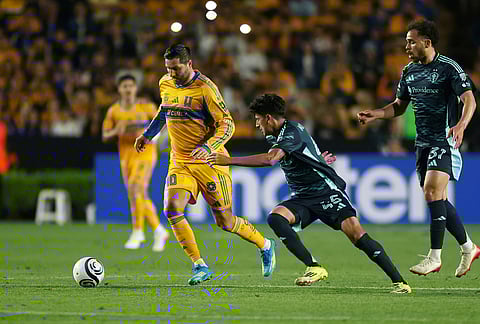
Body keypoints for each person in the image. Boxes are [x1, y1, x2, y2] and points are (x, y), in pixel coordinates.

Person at [207, 93, 412, 294]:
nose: (257, 125)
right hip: (303, 197)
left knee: (357, 236)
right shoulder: (273, 135)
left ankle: (400, 282)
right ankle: (314, 267)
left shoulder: (291, 130)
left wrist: (229, 160)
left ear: (269, 117)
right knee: (276, 218)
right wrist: (318, 159)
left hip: (326, 191)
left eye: (258, 120)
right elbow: (306, 150)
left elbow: (271, 159)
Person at [134, 44, 276, 285]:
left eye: (176, 68)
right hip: (180, 160)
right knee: (171, 209)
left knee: (225, 222)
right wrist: (148, 134)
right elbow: (164, 110)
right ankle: (199, 265)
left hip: (209, 161)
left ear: (189, 64)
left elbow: (227, 124)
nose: (171, 73)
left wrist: (209, 147)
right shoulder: (165, 83)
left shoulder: (205, 89)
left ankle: (265, 244)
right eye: (168, 69)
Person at [357, 20, 479, 277]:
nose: (407, 46)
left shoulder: (448, 68)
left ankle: (434, 257)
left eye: (412, 41)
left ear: (427, 42)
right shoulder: (409, 71)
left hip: (444, 140)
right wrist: (376, 114)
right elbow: (399, 105)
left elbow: (469, 99)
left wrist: (461, 125)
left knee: (432, 191)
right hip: (421, 144)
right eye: (406, 41)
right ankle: (468, 247)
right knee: (438, 198)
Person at [102, 74, 168, 251]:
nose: (128, 89)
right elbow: (105, 135)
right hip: (126, 156)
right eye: (124, 86)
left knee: (136, 187)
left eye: (131, 85)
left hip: (145, 153)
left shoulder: (146, 106)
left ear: (136, 88)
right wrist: (117, 130)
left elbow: (162, 122)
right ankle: (158, 230)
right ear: (119, 89)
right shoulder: (113, 111)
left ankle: (138, 232)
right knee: (136, 193)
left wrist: (155, 137)